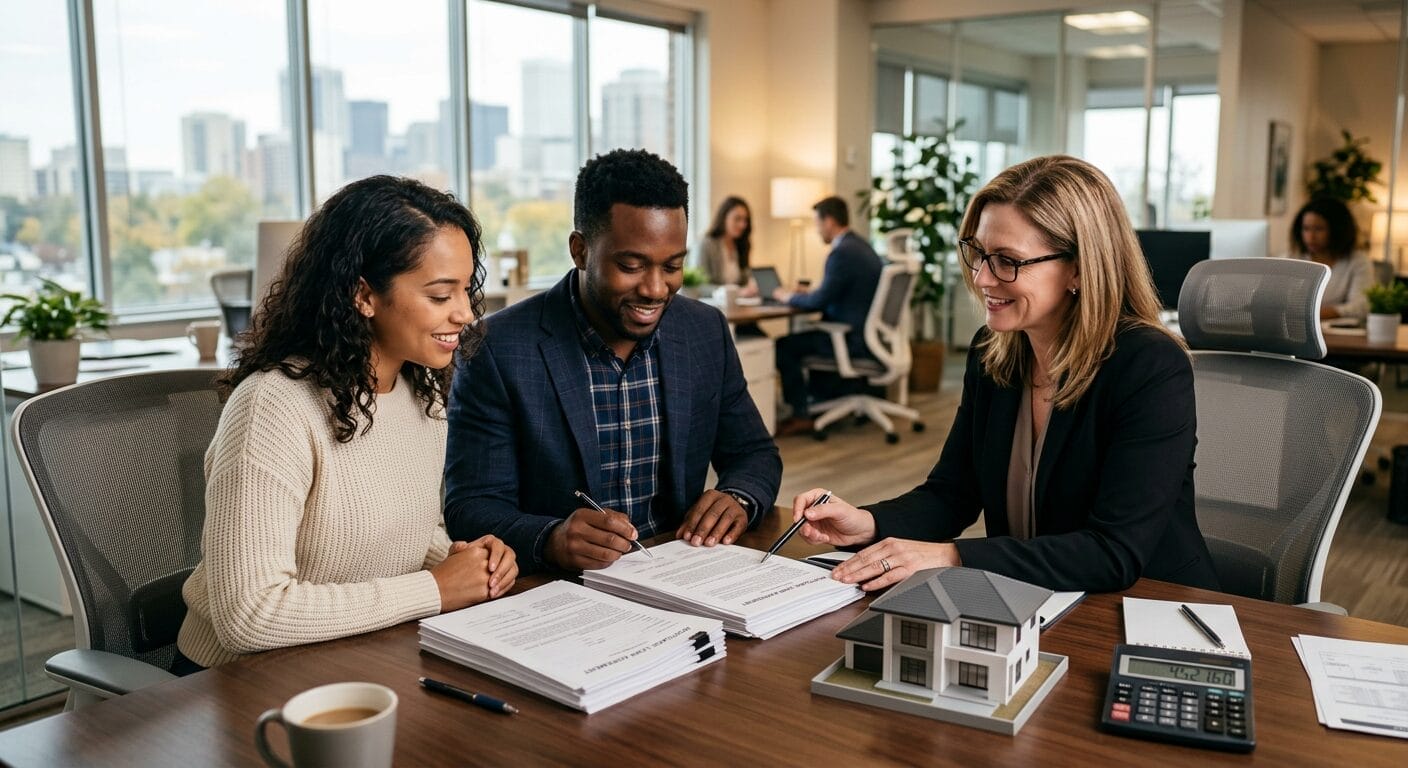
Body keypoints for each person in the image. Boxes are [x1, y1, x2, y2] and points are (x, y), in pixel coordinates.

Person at [790, 155, 1220, 594]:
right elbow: (952, 494)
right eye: (977, 253)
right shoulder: (992, 352)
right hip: (1029, 597)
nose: (981, 278)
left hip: (1151, 606)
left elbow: (1113, 552)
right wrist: (866, 522)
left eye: (1007, 261)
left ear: (1078, 267)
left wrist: (951, 555)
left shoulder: (1149, 366)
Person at [176, 175, 517, 671]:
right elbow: (248, 615)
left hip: (353, 662)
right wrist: (436, 587)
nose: (465, 313)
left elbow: (398, 533)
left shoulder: (420, 394)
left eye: (467, 290)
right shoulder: (272, 408)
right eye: (441, 296)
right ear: (364, 296)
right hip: (234, 686)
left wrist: (464, 562)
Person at [443, 149, 782, 573]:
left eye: (672, 266)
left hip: (682, 570)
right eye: (631, 265)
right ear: (580, 250)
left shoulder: (703, 331)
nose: (656, 289)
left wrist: (739, 496)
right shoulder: (498, 349)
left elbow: (754, 452)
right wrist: (550, 538)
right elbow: (470, 506)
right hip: (561, 590)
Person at [772, 195, 884, 437]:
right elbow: (835, 293)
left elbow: (819, 301)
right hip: (865, 335)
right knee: (802, 338)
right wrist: (809, 293)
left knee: (783, 346)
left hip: (847, 338)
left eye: (817, 224)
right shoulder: (862, 247)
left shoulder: (842, 252)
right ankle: (815, 403)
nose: (817, 230)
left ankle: (800, 414)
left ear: (830, 221)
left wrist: (787, 296)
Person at [1289, 197, 1373, 321]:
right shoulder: (1291, 259)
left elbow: (1361, 306)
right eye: (1306, 228)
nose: (1310, 237)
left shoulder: (1358, 261)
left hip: (1338, 333)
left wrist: (1312, 315)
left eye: (1319, 229)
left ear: (1337, 230)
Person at [695, 195, 757, 294]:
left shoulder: (742, 245)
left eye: (745, 220)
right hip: (714, 304)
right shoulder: (707, 244)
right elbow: (700, 286)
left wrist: (752, 285)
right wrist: (734, 292)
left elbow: (745, 280)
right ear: (724, 217)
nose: (742, 225)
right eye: (737, 219)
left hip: (737, 304)